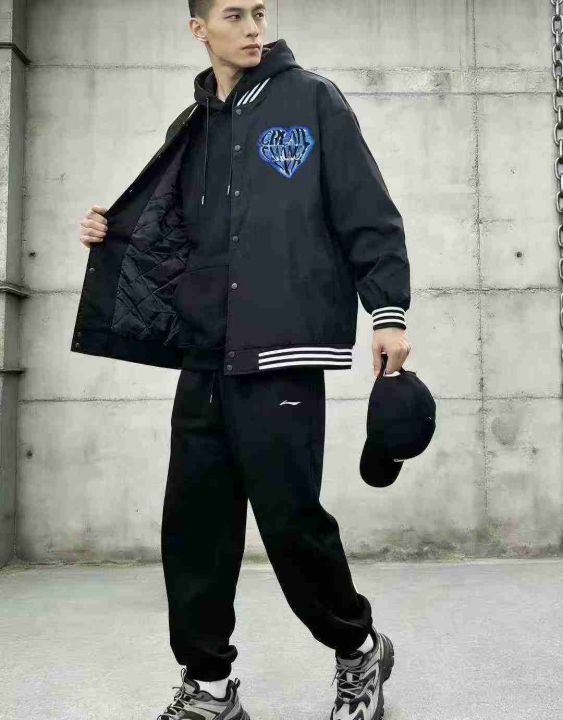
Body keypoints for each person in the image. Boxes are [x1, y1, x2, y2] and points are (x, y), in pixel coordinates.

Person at [77, 1, 412, 718]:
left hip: (282, 348)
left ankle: (358, 650)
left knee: (290, 521)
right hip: (205, 353)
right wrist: (111, 229)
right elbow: (172, 232)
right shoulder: (192, 124)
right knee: (194, 526)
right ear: (199, 29)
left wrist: (388, 311)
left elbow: (368, 212)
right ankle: (209, 688)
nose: (254, 27)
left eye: (259, 11)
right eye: (235, 14)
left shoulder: (312, 100)